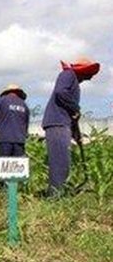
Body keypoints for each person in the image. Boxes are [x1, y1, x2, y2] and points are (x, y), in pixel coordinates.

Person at [41, 58, 100, 197]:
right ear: (83, 71)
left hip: (63, 123)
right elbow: (60, 92)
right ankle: (55, 197)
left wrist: (75, 133)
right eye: (90, 74)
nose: (90, 78)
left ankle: (60, 193)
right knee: (59, 163)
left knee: (64, 162)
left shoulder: (74, 82)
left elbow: (70, 111)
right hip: (57, 123)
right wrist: (76, 108)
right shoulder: (68, 75)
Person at [0, 84, 29, 158]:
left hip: (4, 139)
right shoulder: (24, 105)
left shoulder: (1, 101)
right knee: (19, 165)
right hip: (20, 141)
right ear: (19, 93)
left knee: (4, 166)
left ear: (6, 92)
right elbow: (26, 124)